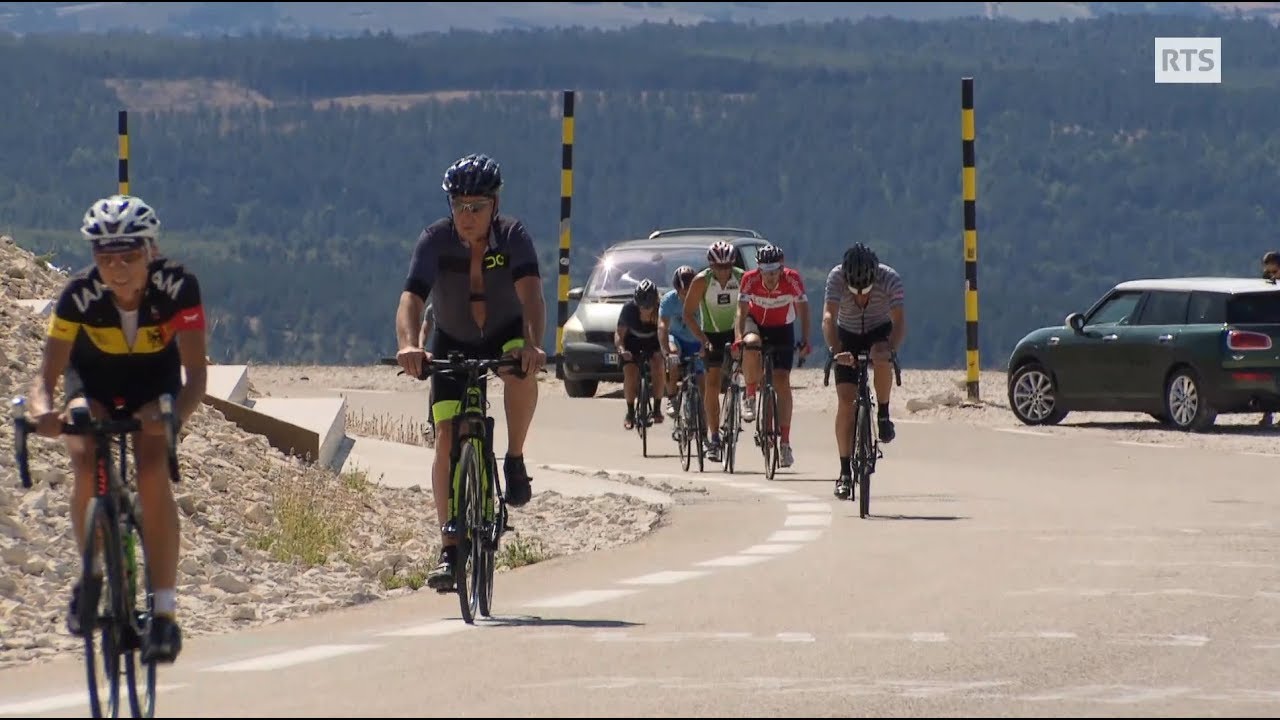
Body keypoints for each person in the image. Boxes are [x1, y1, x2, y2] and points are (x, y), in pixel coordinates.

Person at [29, 193, 207, 664]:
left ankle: (164, 614)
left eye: (129, 255)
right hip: (94, 383)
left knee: (151, 474)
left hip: (155, 384)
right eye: (105, 257)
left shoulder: (179, 288)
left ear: (151, 250)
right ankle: (91, 574)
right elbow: (45, 379)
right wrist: (45, 411)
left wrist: (173, 418)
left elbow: (197, 379)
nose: (118, 268)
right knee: (85, 451)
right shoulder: (77, 296)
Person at [394, 153, 547, 592]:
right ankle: (448, 546)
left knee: (520, 372)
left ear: (495, 205)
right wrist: (409, 345)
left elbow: (532, 296)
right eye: (459, 205)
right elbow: (411, 299)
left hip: (505, 333)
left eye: (477, 206)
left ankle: (514, 457)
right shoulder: (434, 241)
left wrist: (533, 342)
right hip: (452, 338)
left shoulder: (513, 237)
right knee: (446, 435)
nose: (467, 215)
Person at [823, 243, 906, 500]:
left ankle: (882, 412)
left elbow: (900, 320)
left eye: (866, 292)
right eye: (855, 291)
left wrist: (890, 349)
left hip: (878, 329)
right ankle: (845, 472)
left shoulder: (890, 278)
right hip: (846, 332)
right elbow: (828, 317)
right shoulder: (836, 276)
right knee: (846, 403)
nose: (860, 297)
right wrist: (836, 350)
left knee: (882, 358)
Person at [735, 244, 811, 468]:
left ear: (781, 269)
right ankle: (749, 396)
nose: (768, 278)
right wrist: (739, 336)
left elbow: (804, 311)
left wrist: (806, 340)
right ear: (758, 270)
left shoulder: (792, 279)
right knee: (752, 344)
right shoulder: (749, 279)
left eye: (773, 272)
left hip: (782, 328)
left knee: (781, 382)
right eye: (764, 273)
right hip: (755, 323)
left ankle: (785, 443)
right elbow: (740, 310)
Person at [682, 240, 744, 463]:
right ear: (711, 266)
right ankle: (715, 436)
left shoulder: (741, 278)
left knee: (752, 360)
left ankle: (747, 399)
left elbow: (748, 308)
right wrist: (702, 339)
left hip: (736, 331)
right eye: (719, 267)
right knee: (713, 382)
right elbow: (687, 314)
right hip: (712, 335)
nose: (724, 271)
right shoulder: (701, 281)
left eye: (727, 266)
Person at [616, 279, 667, 430]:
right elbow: (619, 334)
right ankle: (630, 412)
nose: (645, 310)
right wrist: (621, 350)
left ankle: (657, 408)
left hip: (653, 341)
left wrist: (666, 350)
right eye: (641, 306)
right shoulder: (628, 309)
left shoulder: (661, 309)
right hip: (632, 343)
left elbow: (666, 331)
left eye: (649, 307)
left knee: (658, 365)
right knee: (630, 373)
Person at [658, 265, 704, 419]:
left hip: (699, 340)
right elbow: (663, 326)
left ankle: (702, 428)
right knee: (672, 355)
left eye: (690, 292)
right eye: (683, 293)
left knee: (703, 387)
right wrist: (666, 351)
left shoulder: (703, 298)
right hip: (677, 339)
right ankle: (672, 397)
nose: (687, 296)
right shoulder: (668, 300)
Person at [418, 301, 438, 448]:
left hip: (468, 350)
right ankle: (431, 423)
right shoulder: (433, 308)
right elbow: (425, 330)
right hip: (442, 353)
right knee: (436, 381)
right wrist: (421, 349)